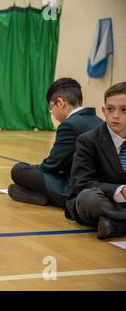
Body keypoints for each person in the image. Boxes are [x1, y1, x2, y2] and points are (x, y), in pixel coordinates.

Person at [8, 78, 103, 207]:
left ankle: (46, 196)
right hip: (99, 185)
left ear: (60, 103)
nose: (51, 112)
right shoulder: (99, 121)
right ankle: (36, 194)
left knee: (19, 170)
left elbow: (52, 165)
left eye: (51, 107)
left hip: (76, 188)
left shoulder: (69, 125)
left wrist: (32, 167)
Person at [66, 82, 126, 239]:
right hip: (103, 200)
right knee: (88, 198)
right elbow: (82, 183)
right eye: (110, 109)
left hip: (116, 209)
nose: (115, 115)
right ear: (103, 111)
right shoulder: (88, 140)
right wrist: (119, 191)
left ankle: (117, 224)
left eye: (124, 110)